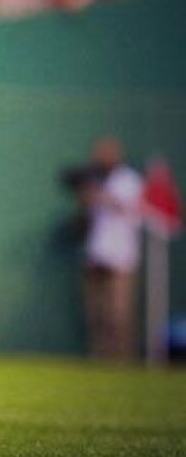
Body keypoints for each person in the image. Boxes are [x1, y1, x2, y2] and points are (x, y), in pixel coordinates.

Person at [82, 137, 144, 361]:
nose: (100, 158)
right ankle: (100, 359)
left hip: (120, 258)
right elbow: (90, 221)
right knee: (96, 314)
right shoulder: (95, 180)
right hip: (96, 255)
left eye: (105, 153)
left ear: (116, 155)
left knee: (118, 315)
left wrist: (103, 196)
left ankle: (122, 360)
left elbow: (132, 211)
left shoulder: (129, 180)